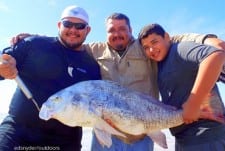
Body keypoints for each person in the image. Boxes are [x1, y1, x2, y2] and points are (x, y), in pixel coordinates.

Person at [10, 13, 225, 151]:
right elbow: (67, 42)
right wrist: (34, 40)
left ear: (131, 31)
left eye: (122, 29)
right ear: (105, 33)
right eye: (112, 30)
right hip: (104, 136)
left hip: (142, 133)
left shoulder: (146, 47)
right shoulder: (94, 49)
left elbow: (171, 39)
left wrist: (207, 39)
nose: (117, 34)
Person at [0, 5, 101, 151]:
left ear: (88, 30)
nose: (73, 30)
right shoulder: (33, 44)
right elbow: (3, 58)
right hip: (18, 131)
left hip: (66, 140)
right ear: (59, 25)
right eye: (68, 24)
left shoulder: (92, 66)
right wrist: (3, 66)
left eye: (80, 26)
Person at [138, 23, 225, 151]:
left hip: (205, 137)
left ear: (166, 37)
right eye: (146, 47)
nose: (151, 49)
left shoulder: (179, 49)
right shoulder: (160, 64)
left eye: (154, 42)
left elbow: (215, 55)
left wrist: (194, 102)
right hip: (184, 140)